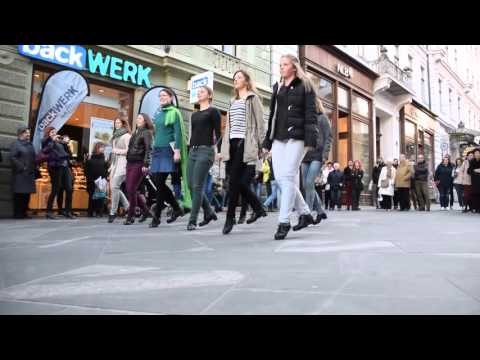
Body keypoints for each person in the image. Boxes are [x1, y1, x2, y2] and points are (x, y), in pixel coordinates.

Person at [261, 54, 318, 240]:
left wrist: (310, 140)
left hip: (298, 137)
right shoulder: (277, 87)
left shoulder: (305, 86)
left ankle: (283, 221)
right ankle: (305, 213)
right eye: (280, 65)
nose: (281, 68)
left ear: (294, 67)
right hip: (278, 137)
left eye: (285, 64)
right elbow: (273, 116)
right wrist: (267, 142)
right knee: (281, 179)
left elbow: (311, 114)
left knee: (286, 177)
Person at [220, 69, 267, 235]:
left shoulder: (253, 98)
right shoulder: (232, 101)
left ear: (246, 81)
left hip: (245, 143)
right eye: (234, 78)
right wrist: (223, 149)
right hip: (231, 144)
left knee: (235, 183)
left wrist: (263, 146)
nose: (235, 79)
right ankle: (258, 207)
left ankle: (230, 218)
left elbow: (261, 123)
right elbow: (228, 128)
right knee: (236, 183)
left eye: (239, 77)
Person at [149, 88, 190, 228]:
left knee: (160, 183)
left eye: (164, 95)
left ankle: (157, 217)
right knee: (157, 181)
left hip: (168, 151)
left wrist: (177, 151)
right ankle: (176, 208)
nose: (162, 97)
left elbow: (178, 133)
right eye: (160, 96)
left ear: (171, 97)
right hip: (158, 151)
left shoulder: (175, 112)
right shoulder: (159, 113)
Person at [185, 85, 220, 231]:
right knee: (191, 185)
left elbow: (218, 133)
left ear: (209, 95)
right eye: (197, 92)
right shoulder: (195, 115)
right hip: (192, 151)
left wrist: (217, 151)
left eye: (202, 92)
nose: (199, 94)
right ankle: (209, 212)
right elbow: (194, 134)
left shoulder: (214, 111)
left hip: (206, 151)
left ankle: (192, 221)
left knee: (197, 186)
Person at [301, 95, 332, 224]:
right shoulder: (305, 120)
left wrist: (325, 155)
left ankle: (306, 214)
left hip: (317, 155)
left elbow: (328, 137)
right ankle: (320, 211)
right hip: (305, 155)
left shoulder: (323, 118)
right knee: (306, 184)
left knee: (309, 182)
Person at [124, 113, 153, 225]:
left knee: (131, 188)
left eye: (140, 118)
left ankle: (131, 215)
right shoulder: (135, 132)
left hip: (139, 163)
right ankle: (145, 211)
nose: (137, 119)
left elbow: (148, 149)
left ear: (145, 121)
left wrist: (146, 163)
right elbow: (131, 148)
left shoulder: (147, 132)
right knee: (130, 189)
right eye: (137, 118)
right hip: (130, 162)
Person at [41, 127, 74, 219]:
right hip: (55, 167)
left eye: (55, 132)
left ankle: (68, 211)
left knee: (69, 189)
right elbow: (45, 150)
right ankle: (49, 211)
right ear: (48, 133)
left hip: (65, 167)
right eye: (52, 132)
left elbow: (68, 155)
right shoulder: (46, 141)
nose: (54, 133)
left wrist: (65, 143)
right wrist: (52, 140)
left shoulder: (60, 143)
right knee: (56, 188)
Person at [108, 118, 131, 223]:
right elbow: (113, 153)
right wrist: (111, 165)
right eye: (115, 122)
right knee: (114, 188)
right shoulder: (115, 136)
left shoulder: (127, 136)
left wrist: (117, 151)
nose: (116, 124)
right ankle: (128, 207)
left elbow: (129, 151)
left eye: (118, 123)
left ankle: (113, 212)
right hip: (115, 164)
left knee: (115, 186)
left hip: (123, 163)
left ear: (123, 124)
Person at [10, 126, 36, 219]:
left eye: (29, 133)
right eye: (27, 133)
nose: (29, 134)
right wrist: (22, 167)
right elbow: (13, 157)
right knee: (19, 194)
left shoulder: (30, 144)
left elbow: (33, 157)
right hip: (20, 173)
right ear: (21, 134)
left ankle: (24, 212)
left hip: (29, 173)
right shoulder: (16, 144)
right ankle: (17, 213)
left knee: (27, 194)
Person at [85, 142, 108, 217]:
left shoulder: (104, 158)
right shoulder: (90, 157)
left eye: (103, 147)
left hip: (101, 180)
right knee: (92, 196)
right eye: (102, 147)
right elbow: (87, 169)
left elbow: (106, 169)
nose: (103, 149)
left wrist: (105, 177)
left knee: (100, 196)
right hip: (92, 179)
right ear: (97, 148)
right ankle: (90, 212)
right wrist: (89, 178)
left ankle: (99, 212)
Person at [467, 148, 480, 213]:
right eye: (475, 153)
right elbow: (469, 171)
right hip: (475, 181)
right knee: (475, 194)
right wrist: (475, 170)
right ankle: (476, 208)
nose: (477, 154)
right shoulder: (472, 161)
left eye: (478, 153)